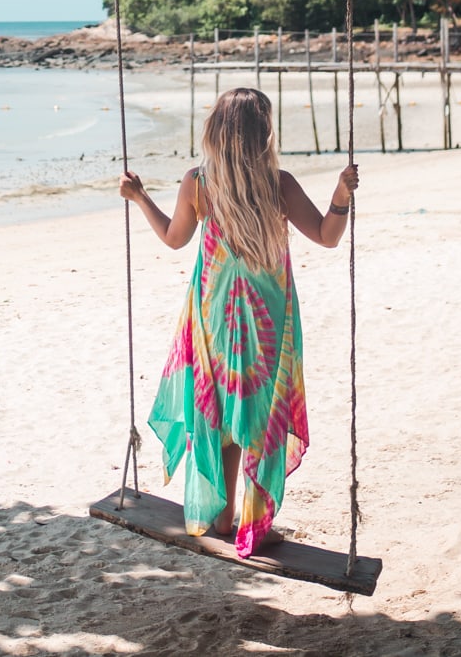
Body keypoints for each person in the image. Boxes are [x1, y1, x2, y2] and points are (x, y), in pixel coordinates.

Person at [119, 86, 358, 558]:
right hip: (267, 318)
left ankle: (222, 514)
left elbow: (173, 239)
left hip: (212, 315)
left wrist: (140, 197)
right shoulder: (279, 184)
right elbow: (329, 237)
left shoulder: (198, 183)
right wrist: (340, 196)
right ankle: (253, 519)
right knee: (260, 412)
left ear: (217, 133)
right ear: (263, 134)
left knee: (220, 409)